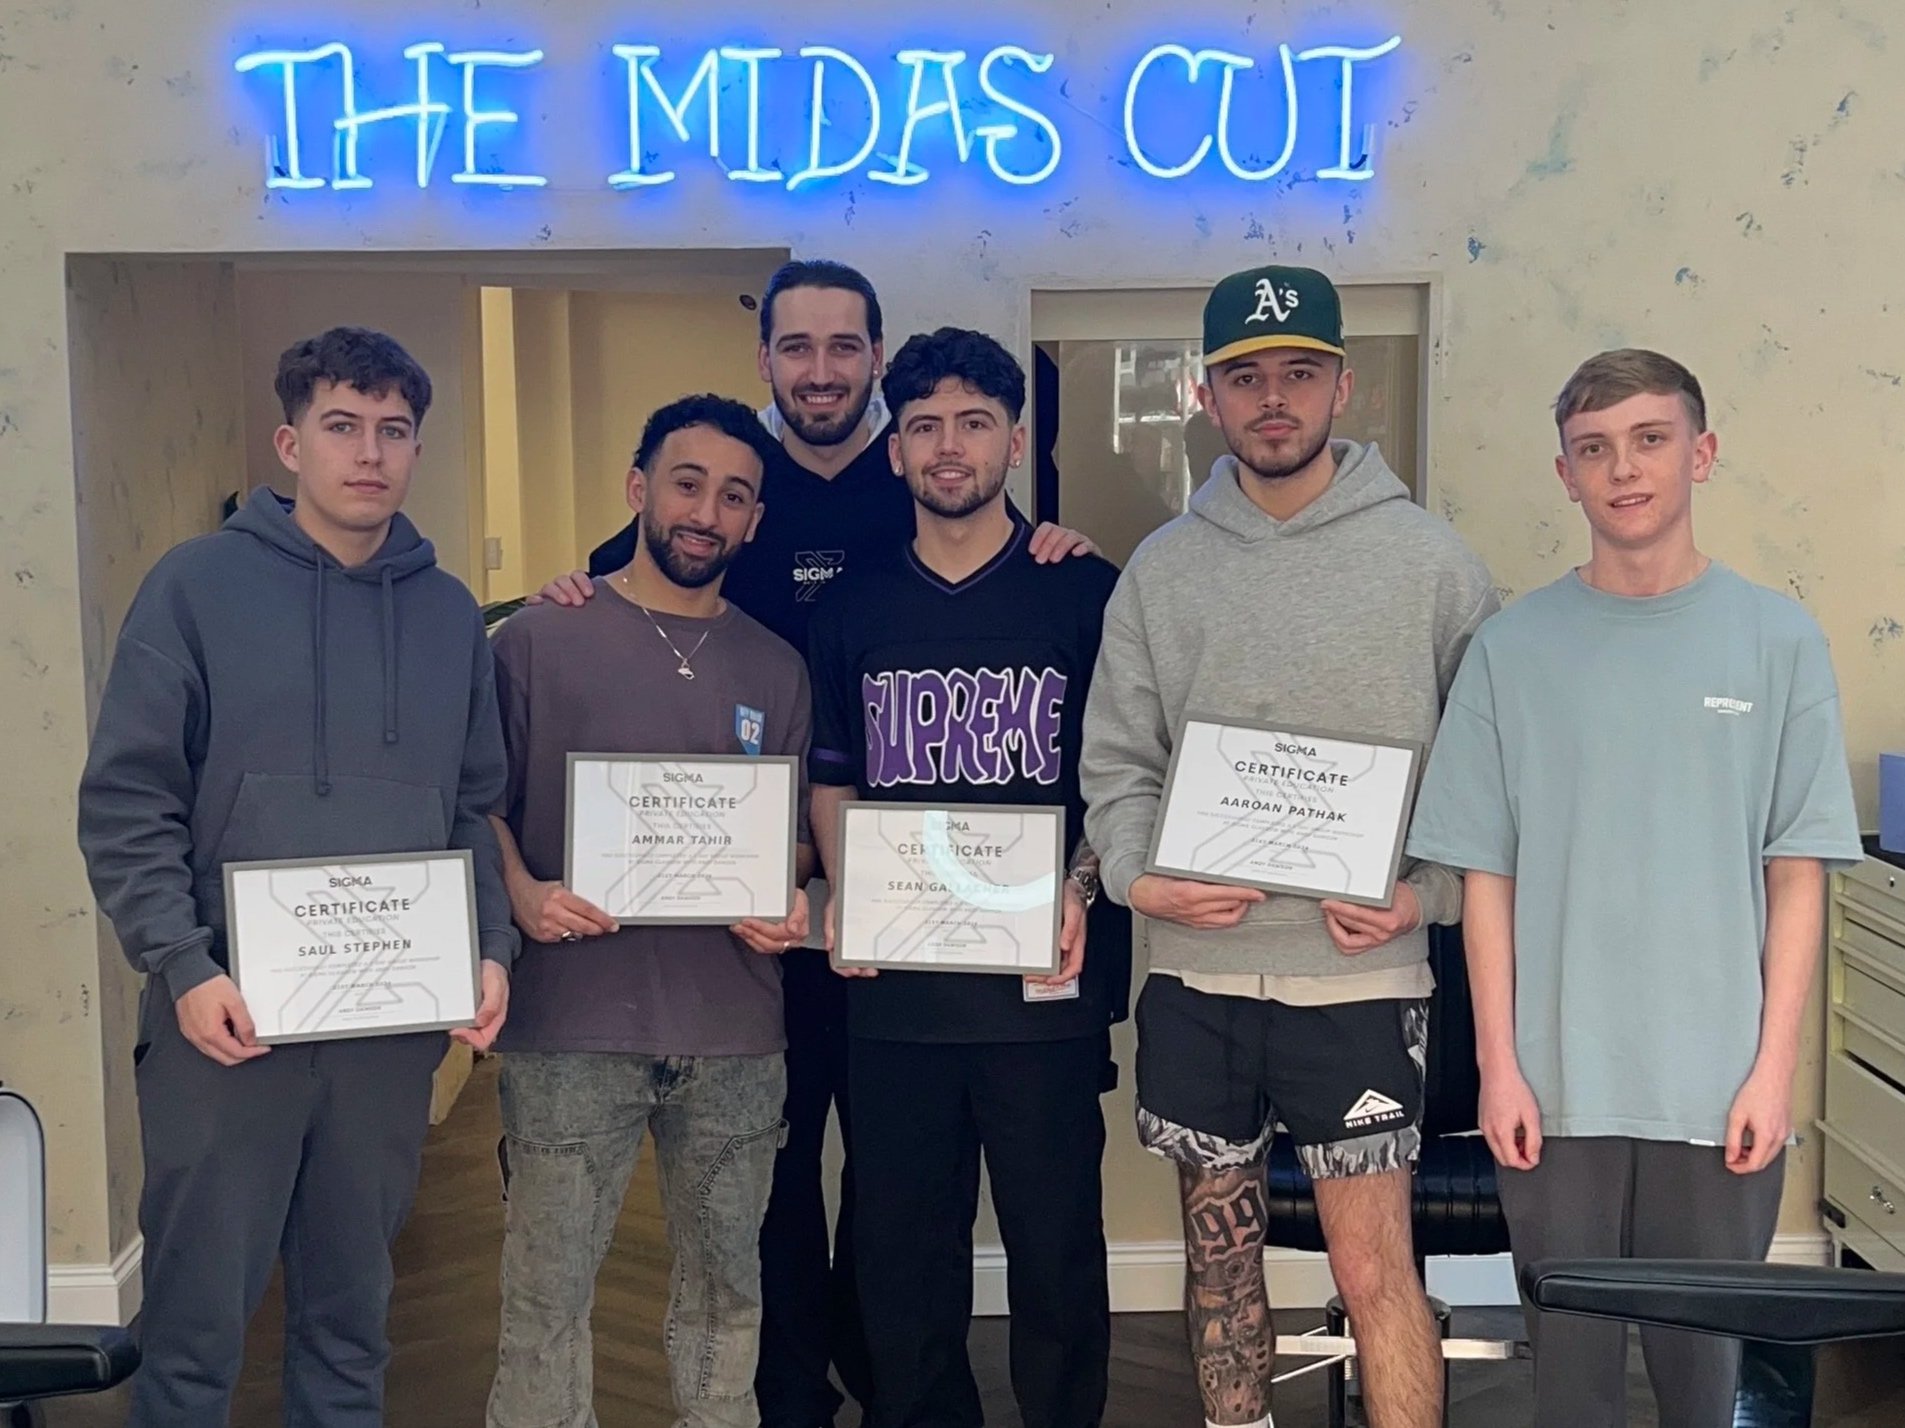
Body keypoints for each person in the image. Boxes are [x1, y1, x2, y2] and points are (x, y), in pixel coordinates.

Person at [532, 259, 1094, 1428]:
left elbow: (1105, 745)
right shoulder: (736, 479)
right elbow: (634, 578)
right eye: (799, 347)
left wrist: (1057, 537)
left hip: (931, 939)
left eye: (847, 348)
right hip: (772, 930)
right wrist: (571, 590)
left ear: (875, 365)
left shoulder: (984, 533)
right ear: (768, 360)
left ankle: (890, 1387)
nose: (823, 369)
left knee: (964, 1222)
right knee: (797, 1194)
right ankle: (796, 1400)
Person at [1403, 349, 1862, 1428]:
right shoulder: (1512, 651)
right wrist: (1500, 1071)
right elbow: (1487, 879)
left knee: (1703, 1382)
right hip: (1555, 1091)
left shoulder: (1778, 642)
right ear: (1565, 474)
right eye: (1595, 448)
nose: (1624, 469)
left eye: (1651, 440)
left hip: (1719, 1091)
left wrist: (1772, 1073)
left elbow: (1796, 877)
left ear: (1700, 454)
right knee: (1569, 1382)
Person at [1079, 266, 1498, 1428]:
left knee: (1375, 1274)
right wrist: (1134, 876)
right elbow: (1117, 764)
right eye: (1247, 376)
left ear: (1341, 387)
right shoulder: (1162, 570)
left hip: (1362, 974)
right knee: (1220, 1268)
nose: (1275, 399)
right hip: (1197, 975)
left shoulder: (1434, 566)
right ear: (1207, 394)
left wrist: (1427, 897)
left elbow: (1493, 784)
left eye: (1299, 374)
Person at [76, 327, 517, 1428]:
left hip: (385, 1032)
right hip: (226, 1028)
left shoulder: (451, 614)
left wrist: (491, 947)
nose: (369, 453)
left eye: (394, 431)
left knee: (352, 1321)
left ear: (416, 447)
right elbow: (130, 801)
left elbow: (472, 805)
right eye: (341, 427)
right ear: (290, 442)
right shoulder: (193, 589)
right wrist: (180, 965)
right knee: (195, 1333)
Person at [804, 327, 1129, 1428]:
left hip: (1046, 991)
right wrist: (849, 891)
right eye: (926, 426)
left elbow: (1119, 779)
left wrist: (1081, 884)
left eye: (975, 423)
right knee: (900, 1258)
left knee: (1056, 1256)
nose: (950, 447)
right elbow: (835, 775)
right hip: (897, 996)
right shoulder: (849, 608)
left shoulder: (1086, 593)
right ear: (895, 450)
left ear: (1015, 442)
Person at [484, 394, 816, 1428]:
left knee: (727, 1299)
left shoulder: (778, 665)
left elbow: (797, 829)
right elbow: (475, 805)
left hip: (734, 1035)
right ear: (639, 489)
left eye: (734, 496)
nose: (706, 512)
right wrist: (522, 892)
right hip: (570, 1028)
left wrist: (791, 892)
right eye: (687, 484)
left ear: (755, 521)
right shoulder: (538, 639)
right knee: (545, 1301)